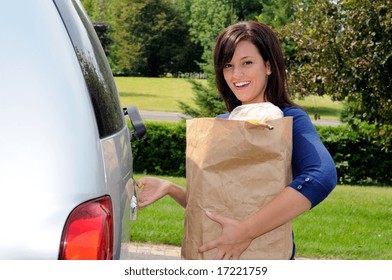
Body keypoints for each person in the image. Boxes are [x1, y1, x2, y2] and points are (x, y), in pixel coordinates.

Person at [137, 21, 337, 260]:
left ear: (269, 66)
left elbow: (322, 176)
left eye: (247, 63)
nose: (236, 75)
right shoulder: (221, 123)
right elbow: (215, 202)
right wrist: (170, 188)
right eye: (228, 65)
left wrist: (246, 231)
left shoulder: (288, 118)